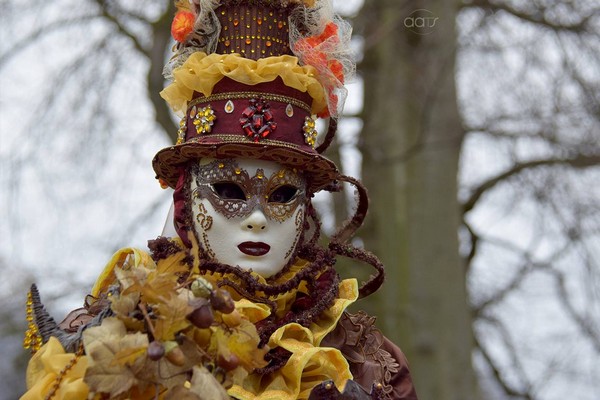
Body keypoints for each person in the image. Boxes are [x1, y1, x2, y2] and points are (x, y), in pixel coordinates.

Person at [21, 1, 418, 399]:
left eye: (283, 194)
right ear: (185, 198)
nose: (258, 218)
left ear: (306, 207)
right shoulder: (111, 338)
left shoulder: (364, 359)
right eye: (229, 190)